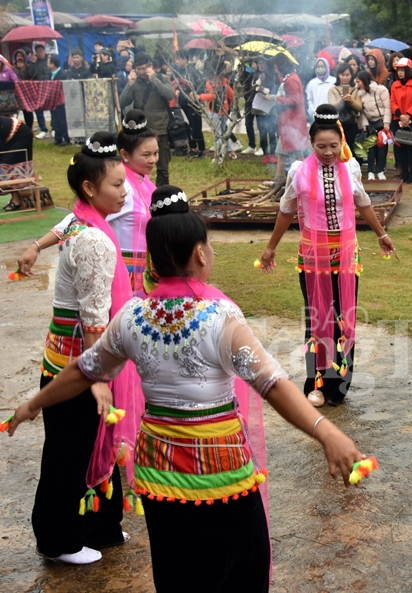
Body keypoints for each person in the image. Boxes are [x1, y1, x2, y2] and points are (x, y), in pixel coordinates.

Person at [8, 184, 369, 591]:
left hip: (159, 473)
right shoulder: (219, 317)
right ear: (200, 253)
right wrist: (327, 432)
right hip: (220, 474)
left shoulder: (132, 316)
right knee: (239, 572)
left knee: (177, 572)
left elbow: (82, 371)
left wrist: (34, 403)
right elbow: (273, 384)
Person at [11, 133, 131, 565]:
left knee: (84, 444)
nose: (125, 191)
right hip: (77, 364)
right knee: (71, 450)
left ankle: (99, 525)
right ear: (89, 189)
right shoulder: (95, 239)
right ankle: (59, 539)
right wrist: (98, 377)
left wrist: (33, 246)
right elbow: (95, 319)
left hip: (63, 357)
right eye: (117, 184)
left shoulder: (81, 221)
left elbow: (60, 228)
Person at [259, 105, 397, 407]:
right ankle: (316, 382)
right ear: (312, 144)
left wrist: (381, 234)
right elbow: (286, 210)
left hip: (346, 255)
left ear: (342, 142)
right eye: (321, 146)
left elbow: (363, 204)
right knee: (317, 320)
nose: (328, 152)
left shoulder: (350, 169)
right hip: (311, 256)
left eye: (334, 145)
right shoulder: (299, 171)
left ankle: (340, 383)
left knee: (343, 320)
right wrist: (271, 248)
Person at [19, 110, 160, 294]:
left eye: (156, 153)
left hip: (144, 270)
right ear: (125, 154)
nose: (153, 160)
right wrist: (36, 246)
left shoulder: (145, 183)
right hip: (126, 273)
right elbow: (77, 219)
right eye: (146, 155)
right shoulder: (124, 188)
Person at [119, 53, 174, 186]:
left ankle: (162, 192)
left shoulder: (161, 78)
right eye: (139, 69)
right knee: (139, 165)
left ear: (150, 66)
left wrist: (154, 79)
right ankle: (141, 189)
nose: (142, 72)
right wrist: (130, 85)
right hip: (141, 130)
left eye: (144, 68)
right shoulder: (135, 82)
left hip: (160, 128)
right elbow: (122, 102)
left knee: (162, 167)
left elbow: (170, 94)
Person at [270, 53, 311, 185]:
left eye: (276, 66)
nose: (275, 69)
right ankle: (280, 177)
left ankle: (301, 179)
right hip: (287, 123)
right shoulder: (287, 78)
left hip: (293, 123)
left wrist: (275, 99)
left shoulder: (291, 80)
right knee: (281, 151)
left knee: (297, 152)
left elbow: (295, 100)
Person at [390, 58, 412, 184]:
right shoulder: (395, 85)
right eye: (398, 70)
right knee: (401, 146)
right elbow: (393, 101)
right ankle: (404, 171)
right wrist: (400, 114)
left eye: (403, 70)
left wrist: (408, 115)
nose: (400, 73)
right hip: (399, 118)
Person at [354, 71, 390, 181]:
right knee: (371, 148)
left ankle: (380, 170)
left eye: (359, 81)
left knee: (381, 148)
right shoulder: (360, 94)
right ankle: (370, 171)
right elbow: (362, 112)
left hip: (382, 121)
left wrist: (386, 123)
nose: (357, 84)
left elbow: (388, 107)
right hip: (370, 124)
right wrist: (364, 124)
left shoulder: (381, 90)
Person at [198, 65, 237, 161]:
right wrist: (230, 106)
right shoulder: (224, 81)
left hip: (214, 110)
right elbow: (231, 95)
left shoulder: (211, 82)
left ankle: (219, 156)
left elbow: (213, 96)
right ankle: (231, 152)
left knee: (218, 133)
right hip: (224, 109)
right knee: (224, 132)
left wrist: (200, 97)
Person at [172, 50, 205, 158]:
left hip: (193, 103)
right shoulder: (178, 72)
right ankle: (193, 148)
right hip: (183, 103)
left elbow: (201, 85)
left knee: (196, 126)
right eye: (177, 59)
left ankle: (201, 149)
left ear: (185, 59)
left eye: (180, 59)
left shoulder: (192, 71)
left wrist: (195, 92)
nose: (178, 61)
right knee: (188, 126)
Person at [328, 63, 362, 159]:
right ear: (338, 75)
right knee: (339, 146)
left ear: (352, 75)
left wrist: (351, 100)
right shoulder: (332, 90)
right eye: (343, 75)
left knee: (352, 147)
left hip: (352, 123)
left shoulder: (356, 90)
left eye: (347, 75)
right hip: (338, 123)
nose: (345, 77)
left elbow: (359, 107)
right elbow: (332, 107)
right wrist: (341, 100)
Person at [0, 116, 35, 211]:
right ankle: (16, 197)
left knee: (6, 166)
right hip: (9, 138)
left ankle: (17, 200)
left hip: (20, 135)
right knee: (5, 166)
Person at [252, 58, 280, 166]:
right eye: (259, 63)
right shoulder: (256, 75)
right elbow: (253, 88)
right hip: (259, 106)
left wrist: (263, 89)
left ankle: (272, 154)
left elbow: (274, 89)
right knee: (262, 132)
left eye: (263, 63)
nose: (261, 65)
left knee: (271, 131)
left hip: (270, 105)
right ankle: (265, 154)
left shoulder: (273, 76)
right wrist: (258, 82)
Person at [238, 59, 262, 157]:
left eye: (253, 63)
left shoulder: (261, 74)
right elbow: (243, 83)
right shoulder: (247, 71)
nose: (252, 66)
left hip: (258, 100)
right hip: (248, 100)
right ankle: (252, 145)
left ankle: (262, 146)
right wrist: (242, 73)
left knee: (260, 125)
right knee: (248, 122)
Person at [28, 44, 50, 138]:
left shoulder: (49, 60)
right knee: (38, 109)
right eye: (38, 51)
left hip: (50, 86)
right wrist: (32, 63)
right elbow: (31, 74)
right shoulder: (34, 62)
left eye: (41, 51)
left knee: (53, 108)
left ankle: (54, 128)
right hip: (38, 87)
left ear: (45, 51)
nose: (40, 53)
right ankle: (43, 129)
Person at [48, 55, 70, 147]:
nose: (47, 64)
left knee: (62, 120)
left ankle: (66, 138)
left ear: (53, 64)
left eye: (49, 62)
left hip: (61, 101)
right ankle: (58, 138)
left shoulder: (62, 74)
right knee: (55, 120)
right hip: (53, 101)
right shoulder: (50, 74)